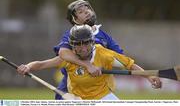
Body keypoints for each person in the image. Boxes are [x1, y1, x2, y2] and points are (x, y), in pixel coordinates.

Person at [17, 25, 162, 100]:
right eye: (78, 44)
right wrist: (28, 67)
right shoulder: (68, 59)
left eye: (86, 43)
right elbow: (41, 64)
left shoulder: (104, 54)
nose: (82, 48)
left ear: (92, 42)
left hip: (103, 97)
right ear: (72, 45)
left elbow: (130, 65)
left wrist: (149, 77)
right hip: (77, 99)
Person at [53, 0, 124, 99]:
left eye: (87, 9)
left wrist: (103, 65)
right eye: (80, 12)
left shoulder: (104, 36)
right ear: (75, 20)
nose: (86, 12)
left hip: (97, 86)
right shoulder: (71, 35)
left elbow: (121, 59)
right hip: (73, 85)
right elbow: (63, 53)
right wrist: (88, 65)